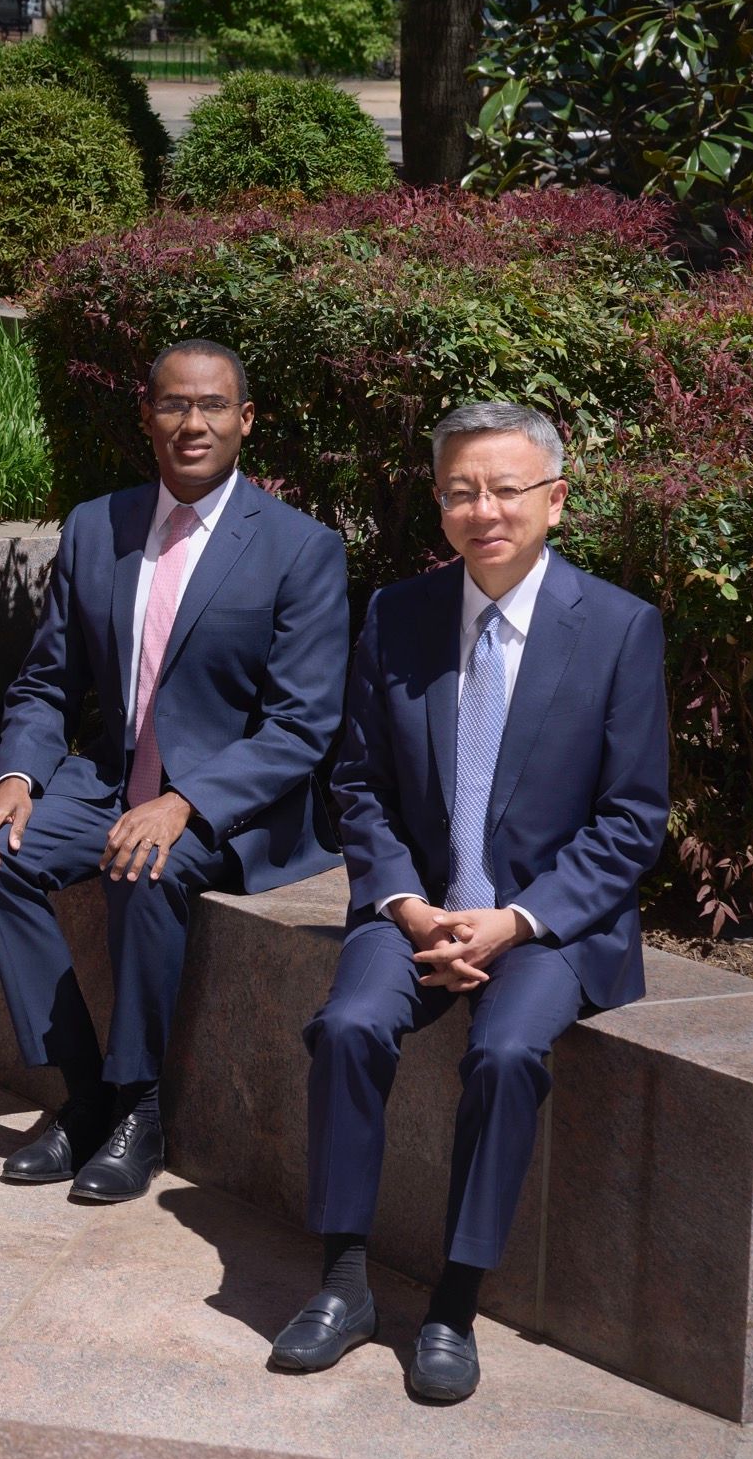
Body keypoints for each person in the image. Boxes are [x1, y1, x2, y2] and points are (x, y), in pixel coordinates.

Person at [267, 401, 670, 1405]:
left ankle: (451, 1300)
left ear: (555, 501)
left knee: (503, 1052)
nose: (482, 509)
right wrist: (408, 904)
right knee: (349, 1023)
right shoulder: (396, 614)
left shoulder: (617, 627)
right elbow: (356, 783)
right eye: (459, 490)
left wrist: (514, 918)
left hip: (547, 921)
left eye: (505, 487)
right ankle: (344, 1282)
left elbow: (631, 814)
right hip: (413, 908)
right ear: (438, 500)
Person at [0, 340, 350, 1203]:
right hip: (108, 781)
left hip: (230, 807)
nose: (192, 423)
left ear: (247, 422)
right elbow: (46, 683)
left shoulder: (300, 548)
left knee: (145, 864)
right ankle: (86, 1093)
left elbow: (301, 726)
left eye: (212, 407)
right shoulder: (99, 526)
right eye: (173, 405)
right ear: (148, 417)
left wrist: (185, 803)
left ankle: (142, 1106)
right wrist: (15, 781)